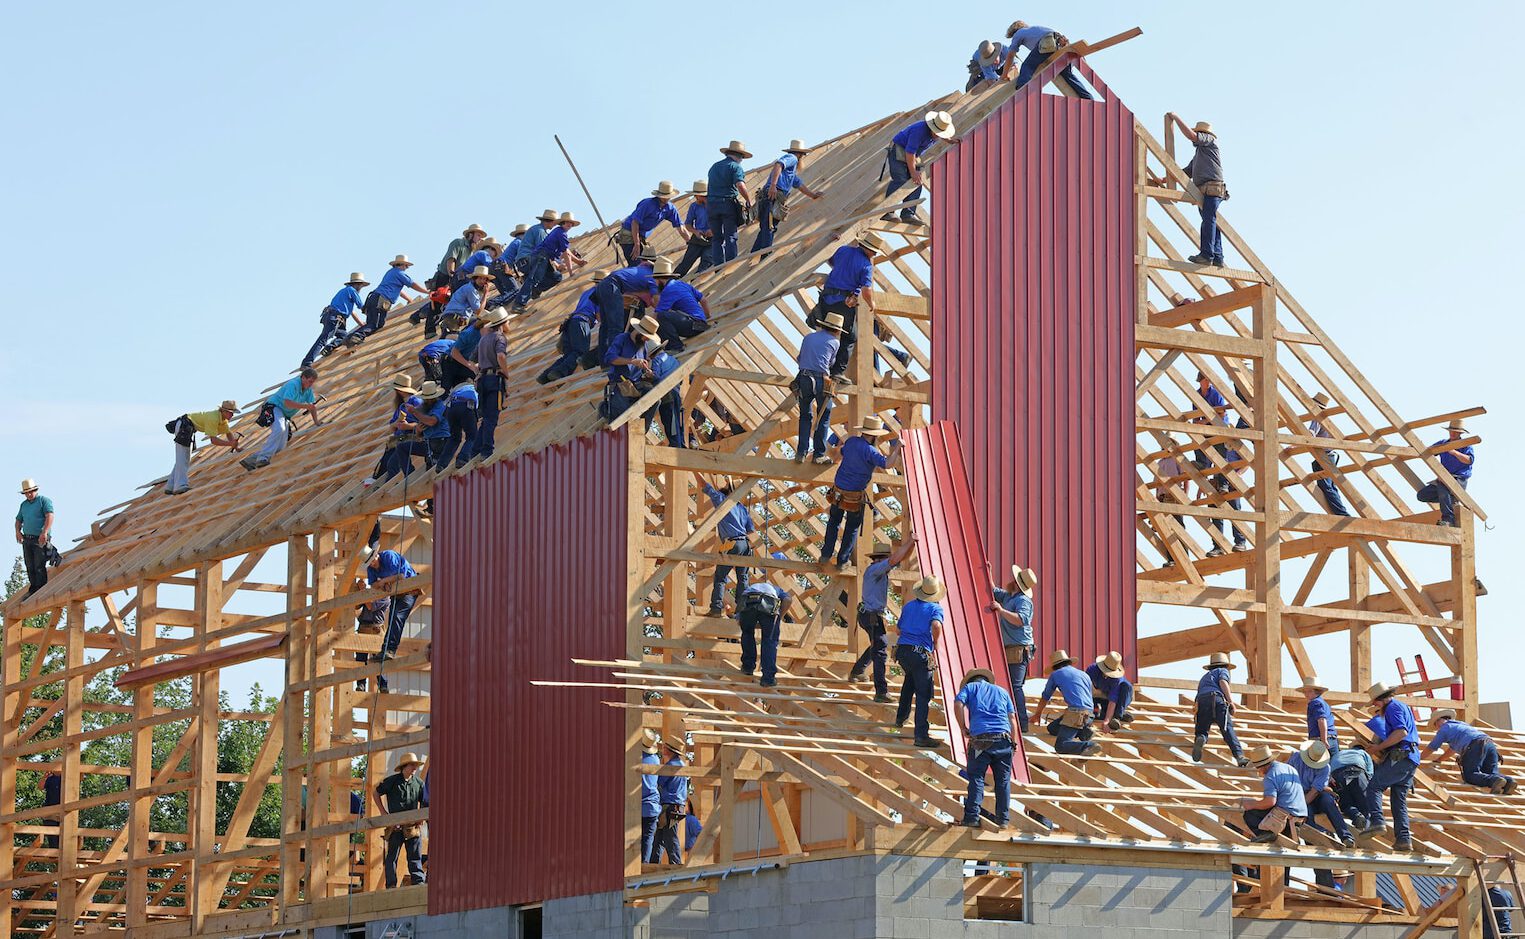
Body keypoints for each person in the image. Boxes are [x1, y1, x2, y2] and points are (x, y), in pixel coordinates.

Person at [820, 416, 900, 567]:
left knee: (833, 522)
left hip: (838, 491)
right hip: (854, 496)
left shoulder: (851, 442)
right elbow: (888, 464)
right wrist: (897, 448)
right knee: (851, 528)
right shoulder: (870, 452)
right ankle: (842, 561)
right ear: (874, 434)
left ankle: (825, 554)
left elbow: (839, 454)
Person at [812, 230, 888, 380]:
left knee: (828, 332)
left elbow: (831, 261)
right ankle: (837, 372)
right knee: (850, 337)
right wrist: (871, 303)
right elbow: (867, 290)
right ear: (870, 250)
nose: (875, 255)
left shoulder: (843, 250)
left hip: (826, 298)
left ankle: (821, 366)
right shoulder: (866, 266)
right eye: (874, 252)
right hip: (843, 303)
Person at [850, 537, 916, 702]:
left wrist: (912, 544)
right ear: (881, 559)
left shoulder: (876, 570)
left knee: (878, 645)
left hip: (868, 615)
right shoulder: (876, 569)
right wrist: (910, 541)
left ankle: (858, 670)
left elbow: (897, 559)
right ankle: (881, 691)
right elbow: (894, 559)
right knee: (880, 651)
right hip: (871, 616)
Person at [1359, 681, 1421, 852]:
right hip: (1411, 757)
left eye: (1376, 702)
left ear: (1383, 699)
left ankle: (1378, 822)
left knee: (1374, 787)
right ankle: (1403, 839)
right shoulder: (1402, 706)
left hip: (1401, 755)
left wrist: (1378, 747)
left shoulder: (1392, 707)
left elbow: (1401, 732)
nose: (1375, 705)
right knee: (1398, 800)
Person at [955, 668, 1018, 830]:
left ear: (971, 680)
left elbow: (958, 704)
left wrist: (963, 727)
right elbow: (1012, 719)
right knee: (1003, 781)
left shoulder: (969, 688)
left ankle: (972, 817)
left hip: (981, 740)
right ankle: (1003, 819)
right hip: (1004, 740)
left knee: (976, 778)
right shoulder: (1002, 692)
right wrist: (1014, 743)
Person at [893, 576, 947, 749]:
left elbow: (898, 629)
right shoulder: (935, 608)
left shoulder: (909, 606)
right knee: (923, 695)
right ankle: (921, 735)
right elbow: (937, 626)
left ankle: (900, 718)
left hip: (903, 651)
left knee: (909, 681)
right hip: (919, 652)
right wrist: (936, 643)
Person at [1167, 114, 1227, 268]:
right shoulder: (1200, 153)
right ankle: (1217, 256)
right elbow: (1187, 171)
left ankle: (1207, 255)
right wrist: (1165, 179)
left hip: (1213, 188)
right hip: (1205, 190)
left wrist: (1176, 118)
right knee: (1211, 221)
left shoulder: (1209, 141)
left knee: (1209, 221)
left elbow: (1191, 135)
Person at [880, 111, 955, 226]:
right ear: (932, 127)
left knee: (917, 182)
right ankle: (887, 212)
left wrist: (950, 140)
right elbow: (909, 152)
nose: (938, 136)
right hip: (899, 151)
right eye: (937, 133)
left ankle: (908, 214)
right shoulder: (919, 131)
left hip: (912, 155)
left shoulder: (937, 131)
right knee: (900, 180)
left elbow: (913, 155)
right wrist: (913, 172)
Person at [241, 368, 321, 472]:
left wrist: (316, 422)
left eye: (313, 382)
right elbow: (287, 403)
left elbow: (312, 407)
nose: (311, 384)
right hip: (274, 407)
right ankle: (263, 458)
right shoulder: (293, 385)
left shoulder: (308, 390)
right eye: (310, 381)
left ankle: (251, 460)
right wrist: (305, 406)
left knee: (280, 446)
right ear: (303, 377)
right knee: (279, 429)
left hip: (285, 415)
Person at [987, 565, 1036, 733]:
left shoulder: (1023, 601)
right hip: (1013, 647)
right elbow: (993, 590)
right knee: (1011, 686)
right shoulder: (1009, 596)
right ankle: (1014, 721)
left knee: (1015, 687)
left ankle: (1022, 723)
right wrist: (989, 572)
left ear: (1016, 582)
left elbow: (1021, 620)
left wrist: (1001, 610)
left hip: (1019, 648)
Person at [699, 474, 755, 616]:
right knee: (743, 578)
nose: (723, 487)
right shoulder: (742, 509)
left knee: (720, 577)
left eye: (726, 486)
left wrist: (695, 472)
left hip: (732, 543)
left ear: (730, 490)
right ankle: (742, 610)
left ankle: (716, 608)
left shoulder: (722, 501)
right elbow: (750, 530)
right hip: (745, 545)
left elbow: (705, 487)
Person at [752, 139, 822, 252]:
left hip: (771, 195)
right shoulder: (792, 158)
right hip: (773, 194)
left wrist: (812, 195)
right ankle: (765, 253)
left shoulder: (790, 172)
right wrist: (773, 185)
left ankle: (755, 253)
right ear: (800, 154)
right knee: (770, 226)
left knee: (766, 227)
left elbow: (799, 185)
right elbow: (778, 165)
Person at [537, 270, 607, 384]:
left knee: (570, 353)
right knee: (580, 351)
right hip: (583, 322)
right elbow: (599, 316)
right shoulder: (600, 294)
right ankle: (559, 372)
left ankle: (546, 376)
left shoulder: (587, 292)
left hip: (572, 322)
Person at [1424, 708, 1516, 794]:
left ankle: (1494, 781)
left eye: (1436, 725)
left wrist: (1417, 758)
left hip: (1475, 746)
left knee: (1470, 775)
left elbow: (1432, 747)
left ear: (1438, 721)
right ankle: (1509, 782)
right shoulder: (1460, 725)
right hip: (1490, 745)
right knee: (1491, 774)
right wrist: (1439, 760)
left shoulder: (1445, 728)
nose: (1437, 729)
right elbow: (1452, 750)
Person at [1195, 414, 1250, 556]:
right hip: (1219, 481)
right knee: (1216, 513)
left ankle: (1240, 542)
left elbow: (1247, 462)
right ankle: (1218, 545)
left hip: (1232, 482)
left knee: (1235, 512)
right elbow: (1211, 464)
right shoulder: (1218, 445)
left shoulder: (1237, 445)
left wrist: (1236, 475)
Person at [794, 313, 845, 463]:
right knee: (823, 417)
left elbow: (799, 358)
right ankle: (819, 455)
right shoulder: (835, 342)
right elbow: (830, 363)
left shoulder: (808, 337)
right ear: (837, 330)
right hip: (822, 380)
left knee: (805, 416)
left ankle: (801, 453)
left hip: (804, 378)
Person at [366, 548, 419, 693]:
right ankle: (386, 650)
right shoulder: (372, 567)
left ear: (377, 555)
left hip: (410, 589)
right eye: (369, 563)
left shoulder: (389, 556)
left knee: (397, 618)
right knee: (393, 619)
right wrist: (386, 582)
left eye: (373, 561)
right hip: (397, 592)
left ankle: (390, 650)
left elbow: (401, 576)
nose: (372, 565)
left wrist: (383, 581)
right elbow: (373, 585)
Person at [373, 752, 427, 887]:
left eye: (415, 765)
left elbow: (425, 801)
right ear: (405, 766)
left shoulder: (419, 783)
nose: (415, 768)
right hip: (395, 826)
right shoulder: (392, 781)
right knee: (392, 857)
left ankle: (418, 882)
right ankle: (391, 885)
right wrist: (383, 812)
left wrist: (421, 816)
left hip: (412, 826)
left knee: (414, 856)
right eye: (412, 765)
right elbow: (376, 792)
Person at [1031, 650, 1100, 756]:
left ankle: (1088, 745)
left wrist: (1037, 715)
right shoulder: (1083, 674)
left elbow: (1045, 697)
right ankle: (1083, 731)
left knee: (1061, 746)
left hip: (1077, 713)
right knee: (1052, 728)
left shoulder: (1056, 674)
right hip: (1089, 714)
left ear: (1054, 667)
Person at [591, 261, 662, 364]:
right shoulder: (651, 277)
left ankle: (604, 363)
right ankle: (614, 360)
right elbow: (656, 300)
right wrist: (665, 310)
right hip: (612, 286)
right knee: (616, 327)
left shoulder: (640, 270)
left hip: (604, 285)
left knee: (605, 328)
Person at [165, 400, 241, 495]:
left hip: (188, 428)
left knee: (183, 458)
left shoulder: (223, 420)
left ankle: (170, 485)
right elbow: (214, 440)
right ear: (224, 411)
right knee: (183, 457)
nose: (232, 415)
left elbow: (228, 433)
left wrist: (236, 446)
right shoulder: (213, 418)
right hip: (184, 426)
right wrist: (230, 444)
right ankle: (180, 486)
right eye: (231, 413)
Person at [512, 211, 586, 309]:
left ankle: (535, 290)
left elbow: (564, 250)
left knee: (556, 276)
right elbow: (547, 251)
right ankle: (519, 304)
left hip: (530, 260)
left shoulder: (553, 231)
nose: (569, 225)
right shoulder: (541, 232)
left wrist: (576, 261)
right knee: (534, 278)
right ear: (550, 221)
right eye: (567, 223)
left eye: (571, 223)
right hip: (530, 260)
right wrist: (569, 270)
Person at [363, 375, 424, 488]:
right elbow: (391, 428)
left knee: (392, 463)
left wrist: (407, 426)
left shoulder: (416, 401)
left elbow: (424, 423)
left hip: (413, 436)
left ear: (399, 390)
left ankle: (388, 485)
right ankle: (377, 480)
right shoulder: (401, 405)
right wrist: (396, 424)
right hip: (400, 437)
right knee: (388, 452)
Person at [1240, 744, 1308, 844]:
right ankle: (1283, 830)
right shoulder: (1289, 768)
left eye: (1258, 768)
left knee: (1249, 814)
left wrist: (1251, 804)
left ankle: (1267, 832)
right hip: (1301, 815)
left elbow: (1270, 802)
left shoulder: (1271, 775)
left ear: (1262, 766)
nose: (1258, 771)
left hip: (1285, 815)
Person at [1291, 740, 1354, 847]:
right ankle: (1319, 837)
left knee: (1328, 802)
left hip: (1315, 794)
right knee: (1306, 814)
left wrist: (1301, 805)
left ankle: (1346, 836)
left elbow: (1314, 792)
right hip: (1298, 794)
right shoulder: (1296, 758)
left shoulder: (1325, 768)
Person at [1005, 22, 1094, 98]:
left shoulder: (1019, 33)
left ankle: (1023, 90)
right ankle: (1088, 97)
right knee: (1068, 75)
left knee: (1027, 66)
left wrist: (1004, 74)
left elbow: (1010, 55)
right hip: (1062, 45)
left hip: (1048, 43)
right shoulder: (1037, 29)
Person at [601, 316, 663, 422]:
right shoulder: (622, 339)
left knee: (655, 400)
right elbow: (609, 358)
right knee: (622, 419)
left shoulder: (643, 345)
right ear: (639, 332)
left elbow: (640, 368)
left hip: (636, 385)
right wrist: (631, 361)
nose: (647, 339)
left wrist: (647, 372)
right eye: (646, 336)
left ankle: (640, 431)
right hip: (619, 385)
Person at [301, 272, 369, 366]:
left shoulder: (345, 292)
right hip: (335, 318)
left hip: (334, 317)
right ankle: (307, 362)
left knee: (344, 337)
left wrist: (362, 324)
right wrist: (371, 318)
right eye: (361, 286)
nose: (361, 288)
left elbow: (352, 312)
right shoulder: (352, 290)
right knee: (323, 339)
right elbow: (362, 307)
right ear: (357, 284)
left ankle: (328, 349)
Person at [1192, 652, 1247, 766]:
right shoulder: (1222, 671)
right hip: (1217, 699)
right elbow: (1223, 682)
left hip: (1202, 701)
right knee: (1227, 729)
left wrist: (1196, 712)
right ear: (1225, 665)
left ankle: (1201, 737)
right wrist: (1231, 702)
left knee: (1202, 728)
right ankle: (1239, 756)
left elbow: (1198, 696)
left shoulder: (1204, 677)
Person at [1417, 419, 1475, 527]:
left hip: (1458, 479)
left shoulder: (1466, 445)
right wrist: (1417, 447)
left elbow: (1469, 460)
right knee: (1422, 495)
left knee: (1443, 486)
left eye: (1455, 431)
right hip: (1443, 479)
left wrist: (1454, 452)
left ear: (1460, 433)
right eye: (1451, 431)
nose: (1452, 433)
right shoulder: (1443, 443)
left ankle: (1448, 519)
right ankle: (1450, 499)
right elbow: (1429, 451)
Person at [355, 255, 426, 343]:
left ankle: (351, 338)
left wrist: (409, 299)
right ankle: (356, 336)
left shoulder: (391, 273)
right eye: (406, 266)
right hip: (379, 300)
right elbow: (412, 284)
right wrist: (427, 292)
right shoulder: (399, 273)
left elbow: (397, 291)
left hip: (374, 298)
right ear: (401, 265)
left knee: (373, 323)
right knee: (375, 324)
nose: (406, 268)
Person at [707, 140, 754, 267]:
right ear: (739, 156)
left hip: (711, 205)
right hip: (727, 204)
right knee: (731, 236)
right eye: (742, 157)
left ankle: (718, 266)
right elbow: (740, 184)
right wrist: (749, 200)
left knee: (717, 238)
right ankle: (731, 264)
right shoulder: (736, 167)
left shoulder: (714, 166)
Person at [621, 180, 690, 265]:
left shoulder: (670, 208)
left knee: (650, 264)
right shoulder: (647, 204)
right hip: (629, 234)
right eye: (664, 196)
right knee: (636, 262)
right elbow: (635, 222)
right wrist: (637, 243)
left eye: (668, 196)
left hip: (641, 237)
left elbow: (680, 227)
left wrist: (689, 242)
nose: (666, 198)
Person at [1306, 392, 1351, 516]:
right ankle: (1340, 512)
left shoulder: (1318, 418)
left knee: (1326, 486)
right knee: (1330, 486)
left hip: (1325, 457)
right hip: (1329, 455)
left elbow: (1310, 434)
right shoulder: (1326, 418)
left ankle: (1342, 514)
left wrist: (1294, 444)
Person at [652, 260, 710, 350]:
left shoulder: (668, 290)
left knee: (661, 316)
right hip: (700, 324)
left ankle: (675, 347)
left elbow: (656, 315)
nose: (655, 284)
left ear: (659, 280)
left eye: (655, 281)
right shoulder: (682, 284)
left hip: (693, 325)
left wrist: (644, 330)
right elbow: (704, 300)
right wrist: (707, 317)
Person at [737, 580, 786, 687]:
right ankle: (768, 678)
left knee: (747, 634)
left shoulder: (749, 589)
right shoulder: (776, 589)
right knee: (769, 640)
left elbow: (739, 619)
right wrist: (779, 618)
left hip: (747, 602)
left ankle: (748, 667)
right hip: (768, 601)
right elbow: (788, 599)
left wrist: (751, 623)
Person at [651, 738, 689, 865]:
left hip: (669, 805)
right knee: (661, 836)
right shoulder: (682, 765)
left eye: (664, 747)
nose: (663, 749)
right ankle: (654, 862)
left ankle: (676, 863)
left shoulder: (670, 766)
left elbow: (658, 782)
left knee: (668, 836)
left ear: (669, 750)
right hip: (678, 805)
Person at [1330, 737, 1375, 831]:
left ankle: (1356, 815)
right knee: (1366, 804)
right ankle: (1367, 827)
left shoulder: (1339, 754)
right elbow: (1370, 775)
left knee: (1346, 804)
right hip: (1357, 772)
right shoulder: (1364, 754)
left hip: (1338, 776)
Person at [437, 379, 479, 470]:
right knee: (472, 436)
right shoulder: (474, 388)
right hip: (466, 406)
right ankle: (462, 459)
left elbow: (445, 406)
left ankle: (441, 464)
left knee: (454, 438)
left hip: (451, 408)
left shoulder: (457, 390)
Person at [1087, 651, 1134, 732]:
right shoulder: (1092, 670)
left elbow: (1113, 700)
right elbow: (1084, 689)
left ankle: (1117, 717)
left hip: (1116, 700)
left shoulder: (1117, 679)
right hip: (1098, 696)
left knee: (1127, 687)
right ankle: (1120, 714)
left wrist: (1107, 721)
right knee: (1096, 711)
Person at [674, 181, 713, 277]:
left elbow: (723, 220)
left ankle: (696, 282)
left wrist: (713, 230)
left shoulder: (716, 204)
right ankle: (671, 282)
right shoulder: (694, 206)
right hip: (698, 238)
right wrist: (696, 232)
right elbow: (688, 224)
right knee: (685, 263)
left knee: (706, 261)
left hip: (714, 239)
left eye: (696, 195)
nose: (695, 197)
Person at [431, 223, 487, 289]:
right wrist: (452, 278)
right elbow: (451, 260)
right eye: (478, 235)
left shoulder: (472, 251)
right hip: (444, 278)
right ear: (470, 235)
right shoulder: (458, 243)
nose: (480, 239)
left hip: (457, 280)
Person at [639, 732, 662, 862]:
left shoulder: (635, 757)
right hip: (652, 806)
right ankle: (644, 864)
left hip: (636, 805)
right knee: (648, 838)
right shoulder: (655, 759)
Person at [1303, 676, 1338, 751]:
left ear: (1316, 691)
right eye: (1305, 691)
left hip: (1320, 738)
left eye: (1309, 691)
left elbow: (1321, 720)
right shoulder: (1323, 703)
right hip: (1331, 738)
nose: (1306, 694)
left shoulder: (1315, 702)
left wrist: (1323, 739)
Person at [41, 769, 61, 848]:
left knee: (64, 837)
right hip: (50, 813)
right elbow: (40, 787)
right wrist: (44, 777)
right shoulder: (50, 778)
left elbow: (80, 779)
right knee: (52, 838)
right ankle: (54, 855)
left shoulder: (67, 778)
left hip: (64, 812)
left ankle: (61, 855)